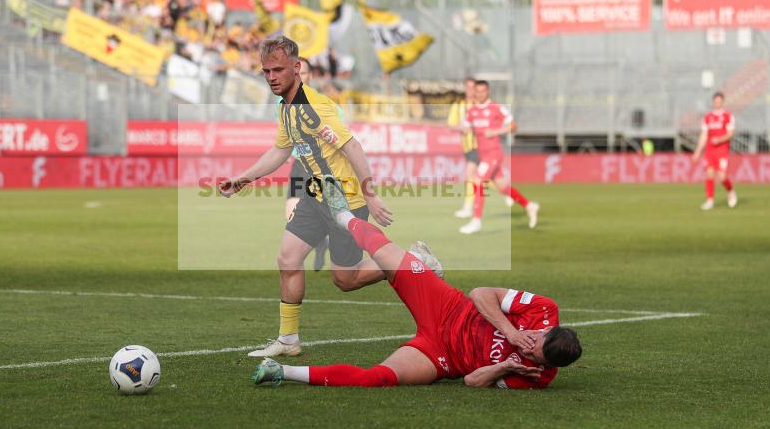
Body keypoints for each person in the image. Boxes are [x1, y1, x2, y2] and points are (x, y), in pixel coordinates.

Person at [221, 37, 439, 358]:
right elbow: (280, 150)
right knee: (288, 259)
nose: (270, 77)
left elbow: (351, 146)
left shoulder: (314, 107)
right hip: (316, 194)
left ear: (296, 68)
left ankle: (415, 262)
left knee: (345, 279)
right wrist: (245, 178)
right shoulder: (286, 109)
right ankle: (288, 340)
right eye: (266, 70)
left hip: (345, 199)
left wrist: (370, 192)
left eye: (278, 69)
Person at [253, 176, 582, 389]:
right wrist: (511, 332)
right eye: (536, 338)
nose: (530, 344)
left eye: (534, 352)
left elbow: (471, 381)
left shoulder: (536, 375)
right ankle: (344, 216)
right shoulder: (542, 310)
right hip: (448, 306)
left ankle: (281, 372)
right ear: (546, 329)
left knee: (378, 378)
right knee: (383, 250)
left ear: (545, 364)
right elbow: (480, 294)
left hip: (442, 356)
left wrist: (503, 368)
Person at [459, 80, 538, 234]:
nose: (480, 94)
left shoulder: (496, 108)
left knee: (479, 181)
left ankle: (476, 221)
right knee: (503, 187)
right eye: (478, 91)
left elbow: (513, 126)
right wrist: (465, 129)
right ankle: (529, 205)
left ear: (488, 92)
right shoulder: (472, 111)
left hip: (494, 153)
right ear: (475, 92)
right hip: (483, 154)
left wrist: (496, 131)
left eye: (483, 91)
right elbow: (465, 126)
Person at [284, 56, 330, 272]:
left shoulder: (322, 104)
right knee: (290, 214)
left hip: (318, 167)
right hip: (298, 166)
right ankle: (317, 245)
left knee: (318, 213)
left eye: (303, 73)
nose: (299, 77)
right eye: (296, 73)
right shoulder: (283, 103)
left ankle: (316, 247)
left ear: (310, 76)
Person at [692, 92, 737, 210]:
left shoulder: (728, 116)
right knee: (709, 174)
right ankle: (710, 200)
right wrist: (697, 152)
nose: (717, 103)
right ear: (713, 102)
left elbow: (730, 134)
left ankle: (731, 191)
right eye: (716, 101)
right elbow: (704, 135)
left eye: (719, 101)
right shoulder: (707, 117)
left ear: (722, 102)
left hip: (722, 150)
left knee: (722, 177)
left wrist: (719, 139)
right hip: (710, 151)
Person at [448, 77, 480, 219]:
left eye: (472, 87)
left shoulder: (480, 105)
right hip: (466, 146)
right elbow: (451, 124)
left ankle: (468, 208)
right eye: (467, 87)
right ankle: (509, 193)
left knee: (470, 174)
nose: (470, 90)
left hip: (479, 145)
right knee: (485, 177)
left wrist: (474, 127)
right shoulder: (459, 105)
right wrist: (461, 127)